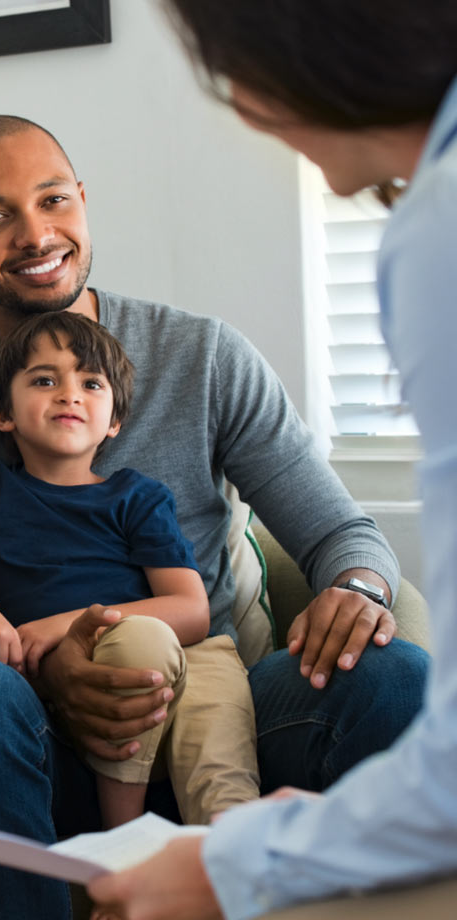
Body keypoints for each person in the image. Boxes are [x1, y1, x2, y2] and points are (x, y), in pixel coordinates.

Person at [0, 112, 429, 919]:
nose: (36, 235)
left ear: (83, 201)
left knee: (392, 675)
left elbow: (341, 534)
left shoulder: (204, 357)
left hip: (210, 709)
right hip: (20, 731)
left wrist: (361, 589)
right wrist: (36, 664)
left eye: (53, 201)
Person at [87, 2, 457, 918]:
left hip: (214, 663)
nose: (242, 111)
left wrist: (243, 859)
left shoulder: (436, 235)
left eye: (227, 71)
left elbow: (342, 534)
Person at [0, 309, 258, 831]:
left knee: (222, 782)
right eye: (45, 380)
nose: (70, 394)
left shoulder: (137, 495)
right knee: (135, 647)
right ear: (5, 413)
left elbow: (190, 610)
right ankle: (121, 853)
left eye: (91, 382)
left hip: (190, 659)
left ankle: (230, 879)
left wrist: (57, 625)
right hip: (74, 684)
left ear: (113, 421)